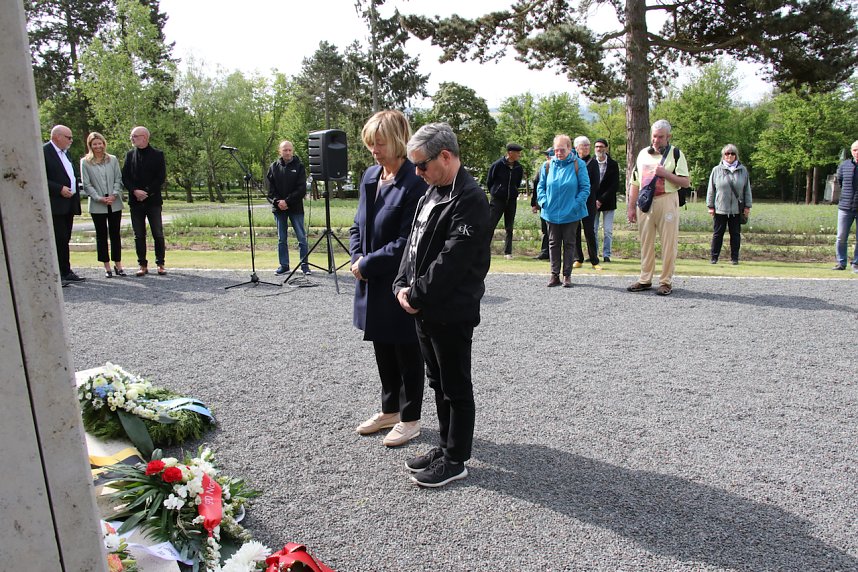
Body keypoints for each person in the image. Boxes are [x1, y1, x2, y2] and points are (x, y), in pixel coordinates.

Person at [393, 122, 490, 488]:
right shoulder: (432, 192)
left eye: (422, 165)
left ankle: (456, 459)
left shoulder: (469, 199)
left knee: (455, 386)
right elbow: (413, 244)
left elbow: (452, 262)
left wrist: (414, 297)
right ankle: (446, 444)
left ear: (445, 157)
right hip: (425, 308)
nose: (417, 173)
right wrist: (401, 284)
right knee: (437, 381)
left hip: (450, 311)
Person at [350, 110, 427, 447]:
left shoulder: (414, 181)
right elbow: (358, 226)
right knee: (382, 345)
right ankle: (390, 410)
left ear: (398, 141)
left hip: (399, 281)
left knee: (407, 351)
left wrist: (368, 263)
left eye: (379, 144)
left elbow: (407, 240)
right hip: (369, 279)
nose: (374, 151)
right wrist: (357, 258)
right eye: (370, 145)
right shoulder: (370, 176)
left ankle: (410, 419)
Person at [626, 119, 690, 296]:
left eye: (661, 137)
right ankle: (645, 278)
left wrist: (666, 174)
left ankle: (665, 281)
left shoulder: (676, 154)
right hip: (645, 201)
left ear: (668, 137)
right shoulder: (642, 154)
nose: (656, 140)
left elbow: (685, 182)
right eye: (654, 136)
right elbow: (635, 182)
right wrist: (631, 207)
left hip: (667, 199)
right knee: (646, 242)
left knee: (668, 243)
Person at [536, 134, 590, 288]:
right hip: (551, 212)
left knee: (569, 243)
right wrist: (543, 202)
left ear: (569, 148)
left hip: (571, 213)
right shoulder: (547, 165)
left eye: (562, 149)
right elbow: (540, 187)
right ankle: (554, 275)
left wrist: (575, 205)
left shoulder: (578, 165)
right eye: (556, 150)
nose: (558, 153)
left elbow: (585, 188)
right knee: (553, 243)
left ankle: (567, 275)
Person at [122, 126, 166, 277]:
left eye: (135, 136)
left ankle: (160, 263)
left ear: (145, 137)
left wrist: (146, 192)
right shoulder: (129, 155)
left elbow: (160, 178)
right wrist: (135, 191)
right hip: (135, 201)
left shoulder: (158, 155)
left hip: (152, 200)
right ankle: (142, 264)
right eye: (132, 136)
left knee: (157, 233)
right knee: (138, 234)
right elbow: (125, 177)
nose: (132, 139)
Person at [81, 132, 126, 278]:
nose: (98, 146)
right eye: (95, 144)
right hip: (97, 204)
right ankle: (106, 266)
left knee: (115, 234)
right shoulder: (85, 162)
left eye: (100, 143)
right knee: (101, 236)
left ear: (104, 143)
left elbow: (118, 179)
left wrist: (114, 194)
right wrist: (98, 198)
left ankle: (118, 264)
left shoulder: (112, 160)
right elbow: (86, 184)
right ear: (90, 145)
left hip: (114, 202)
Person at [44, 125, 84, 283]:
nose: (71, 141)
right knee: (58, 238)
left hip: (68, 203)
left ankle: (66, 271)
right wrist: (59, 188)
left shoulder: (66, 154)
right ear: (57, 137)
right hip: (56, 204)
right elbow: (40, 177)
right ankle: (57, 274)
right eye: (68, 137)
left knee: (65, 238)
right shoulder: (44, 152)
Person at [266, 140, 310, 276]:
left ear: (293, 151)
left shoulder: (300, 166)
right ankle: (284, 266)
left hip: (295, 208)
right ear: (280, 151)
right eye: (285, 150)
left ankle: (305, 266)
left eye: (290, 150)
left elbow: (302, 189)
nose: (288, 152)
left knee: (302, 238)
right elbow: (270, 190)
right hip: (279, 209)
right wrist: (278, 202)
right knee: (281, 239)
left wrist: (288, 201)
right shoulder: (273, 167)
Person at [706, 144, 752, 265]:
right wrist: (710, 206)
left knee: (735, 234)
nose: (729, 156)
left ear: (736, 155)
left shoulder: (743, 170)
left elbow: (747, 189)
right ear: (723, 156)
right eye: (727, 153)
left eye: (732, 153)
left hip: (737, 209)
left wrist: (747, 206)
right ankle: (714, 257)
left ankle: (735, 258)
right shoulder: (716, 170)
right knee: (717, 234)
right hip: (720, 208)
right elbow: (711, 189)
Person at [486, 143, 524, 259]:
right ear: (510, 153)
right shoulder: (497, 165)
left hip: (511, 200)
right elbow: (489, 181)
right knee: (490, 225)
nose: (519, 155)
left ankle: (508, 252)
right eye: (517, 153)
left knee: (509, 227)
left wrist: (513, 191)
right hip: (497, 200)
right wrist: (496, 192)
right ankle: (484, 249)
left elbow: (517, 183)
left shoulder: (519, 167)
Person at [572, 136, 601, 270]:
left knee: (589, 231)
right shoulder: (573, 161)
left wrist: (584, 194)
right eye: (583, 145)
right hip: (575, 201)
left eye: (588, 145)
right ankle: (578, 258)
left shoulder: (593, 163)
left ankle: (594, 260)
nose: (586, 148)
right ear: (577, 147)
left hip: (588, 201)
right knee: (575, 230)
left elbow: (595, 183)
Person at [592, 138, 620, 262]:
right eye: (597, 146)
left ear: (606, 148)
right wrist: (594, 200)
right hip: (593, 201)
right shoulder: (591, 163)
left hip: (608, 201)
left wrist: (601, 200)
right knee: (593, 229)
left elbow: (614, 185)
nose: (599, 149)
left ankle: (607, 254)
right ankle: (594, 254)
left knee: (607, 230)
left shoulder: (613, 164)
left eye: (601, 146)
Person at [833, 140, 858, 272]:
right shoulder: (844, 166)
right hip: (845, 207)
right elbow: (841, 182)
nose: (857, 152)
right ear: (851, 151)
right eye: (855, 150)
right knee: (841, 236)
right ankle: (841, 263)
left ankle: (856, 264)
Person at [530, 148, 552, 260]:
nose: (547, 157)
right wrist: (534, 203)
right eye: (547, 155)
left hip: (557, 203)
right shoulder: (544, 168)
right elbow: (537, 186)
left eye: (549, 154)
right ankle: (545, 252)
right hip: (545, 204)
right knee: (545, 229)